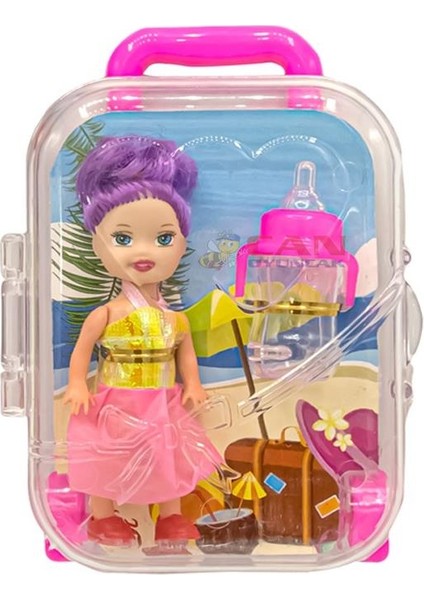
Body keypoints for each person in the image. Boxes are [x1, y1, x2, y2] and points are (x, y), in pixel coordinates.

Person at [64, 136, 222, 547]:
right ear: (98, 243)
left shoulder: (175, 319)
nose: (143, 252)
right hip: (116, 402)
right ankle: (102, 516)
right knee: (107, 457)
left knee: (167, 456)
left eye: (164, 239)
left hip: (160, 401)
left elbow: (186, 356)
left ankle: (170, 516)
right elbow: (83, 352)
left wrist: (194, 384)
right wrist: (78, 383)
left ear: (182, 244)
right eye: (123, 239)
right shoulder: (107, 314)